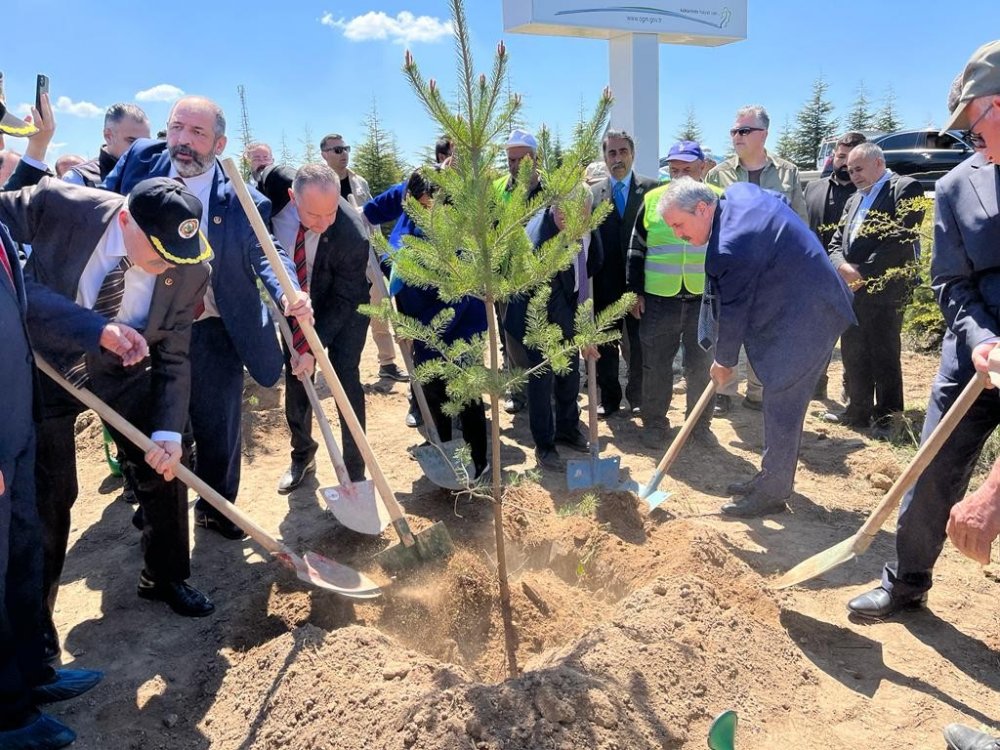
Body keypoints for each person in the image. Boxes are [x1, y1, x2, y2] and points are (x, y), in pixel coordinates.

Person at [4, 175, 216, 657]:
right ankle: (36, 623)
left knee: (163, 466)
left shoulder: (189, 268)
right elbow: (6, 255)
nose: (170, 267)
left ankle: (163, 577)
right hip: (42, 364)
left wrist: (167, 432)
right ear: (126, 221)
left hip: (124, 368)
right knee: (50, 495)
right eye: (158, 254)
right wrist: (91, 328)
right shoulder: (59, 204)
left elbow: (175, 357)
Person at [103, 95, 311, 541]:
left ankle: (217, 507)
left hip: (213, 322)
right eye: (176, 128)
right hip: (149, 322)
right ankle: (160, 511)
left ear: (219, 143)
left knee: (219, 425)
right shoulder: (141, 160)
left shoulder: (242, 195)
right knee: (158, 424)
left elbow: (266, 249)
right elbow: (100, 210)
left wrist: (289, 290)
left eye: (197, 133)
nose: (182, 141)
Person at [847, 39, 1000, 620]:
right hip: (974, 353)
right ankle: (907, 580)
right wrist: (983, 340)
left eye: (975, 120)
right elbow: (950, 282)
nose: (970, 137)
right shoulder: (961, 185)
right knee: (932, 469)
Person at [0, 100, 103, 750]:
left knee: (22, 556)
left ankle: (33, 674)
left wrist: (99, 328)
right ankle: (8, 717)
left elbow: (24, 295)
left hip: (16, 427)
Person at [659, 178, 855, 517]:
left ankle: (773, 493)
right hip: (801, 302)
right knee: (777, 398)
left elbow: (734, 310)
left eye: (679, 224)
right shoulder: (738, 194)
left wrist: (723, 361)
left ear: (703, 208)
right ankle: (770, 477)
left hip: (810, 315)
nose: (678, 234)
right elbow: (777, 199)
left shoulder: (730, 246)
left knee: (781, 402)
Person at [260, 163, 371, 493]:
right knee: (298, 378)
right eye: (314, 216)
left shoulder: (351, 233)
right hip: (294, 302)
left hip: (344, 306)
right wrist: (302, 351)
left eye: (331, 213)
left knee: (344, 378)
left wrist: (314, 348)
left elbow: (344, 299)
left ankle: (355, 470)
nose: (324, 224)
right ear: (293, 197)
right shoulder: (273, 191)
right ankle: (302, 456)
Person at [706, 104, 808, 415]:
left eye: (744, 131)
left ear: (763, 134)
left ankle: (758, 392)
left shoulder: (787, 173)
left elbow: (799, 220)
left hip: (774, 270)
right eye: (734, 131)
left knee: (766, 329)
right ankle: (722, 390)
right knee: (728, 326)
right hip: (733, 269)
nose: (737, 136)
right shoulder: (718, 174)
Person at [394, 169, 489, 477]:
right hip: (424, 332)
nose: (428, 212)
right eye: (421, 205)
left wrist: (432, 330)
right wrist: (408, 326)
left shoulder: (460, 238)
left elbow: (463, 296)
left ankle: (478, 462)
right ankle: (447, 460)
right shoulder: (406, 233)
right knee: (434, 396)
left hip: (461, 330)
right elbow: (401, 284)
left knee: (467, 399)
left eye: (433, 204)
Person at [826, 142, 924, 438]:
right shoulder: (854, 199)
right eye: (849, 170)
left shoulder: (905, 188)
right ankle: (857, 412)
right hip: (852, 290)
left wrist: (863, 273)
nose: (853, 175)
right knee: (853, 351)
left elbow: (901, 238)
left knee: (884, 353)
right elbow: (835, 242)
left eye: (858, 168)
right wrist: (843, 268)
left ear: (878, 164)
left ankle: (887, 419)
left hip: (885, 290)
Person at [627, 141, 719, 448]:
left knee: (702, 365)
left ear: (703, 168)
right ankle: (654, 423)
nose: (680, 176)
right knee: (655, 364)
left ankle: (699, 425)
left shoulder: (718, 201)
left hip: (703, 300)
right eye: (674, 170)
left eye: (688, 170)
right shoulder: (653, 200)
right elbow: (635, 248)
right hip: (657, 299)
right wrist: (635, 291)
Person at [504, 188, 603, 470]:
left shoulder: (584, 223)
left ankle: (568, 429)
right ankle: (545, 445)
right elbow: (551, 303)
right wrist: (581, 334)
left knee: (569, 373)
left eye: (585, 217)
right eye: (571, 216)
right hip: (535, 315)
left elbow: (593, 260)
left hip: (568, 305)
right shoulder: (541, 243)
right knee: (542, 378)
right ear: (558, 213)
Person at [321, 131, 406, 385]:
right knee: (340, 314)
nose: (343, 154)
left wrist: (380, 253)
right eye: (337, 150)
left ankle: (387, 363)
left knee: (379, 308)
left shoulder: (359, 182)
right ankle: (339, 370)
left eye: (345, 148)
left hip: (366, 255)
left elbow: (374, 220)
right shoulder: (321, 183)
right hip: (335, 261)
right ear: (324, 154)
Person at [591, 128, 658, 419]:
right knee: (606, 347)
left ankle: (638, 396)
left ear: (632, 154)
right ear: (605, 157)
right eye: (611, 153)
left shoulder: (653, 190)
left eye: (622, 152)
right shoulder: (593, 195)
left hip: (640, 285)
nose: (617, 158)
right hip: (605, 287)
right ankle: (609, 398)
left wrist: (641, 288)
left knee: (640, 346)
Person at [804, 131, 867, 400]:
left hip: (856, 276)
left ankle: (851, 386)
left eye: (852, 159)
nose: (845, 164)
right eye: (841, 157)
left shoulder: (869, 192)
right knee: (817, 335)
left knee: (855, 339)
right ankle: (817, 383)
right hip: (818, 276)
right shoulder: (814, 188)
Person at [64, 103, 150, 187]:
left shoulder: (153, 173)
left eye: (146, 142)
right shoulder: (78, 179)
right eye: (132, 141)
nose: (141, 148)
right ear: (108, 136)